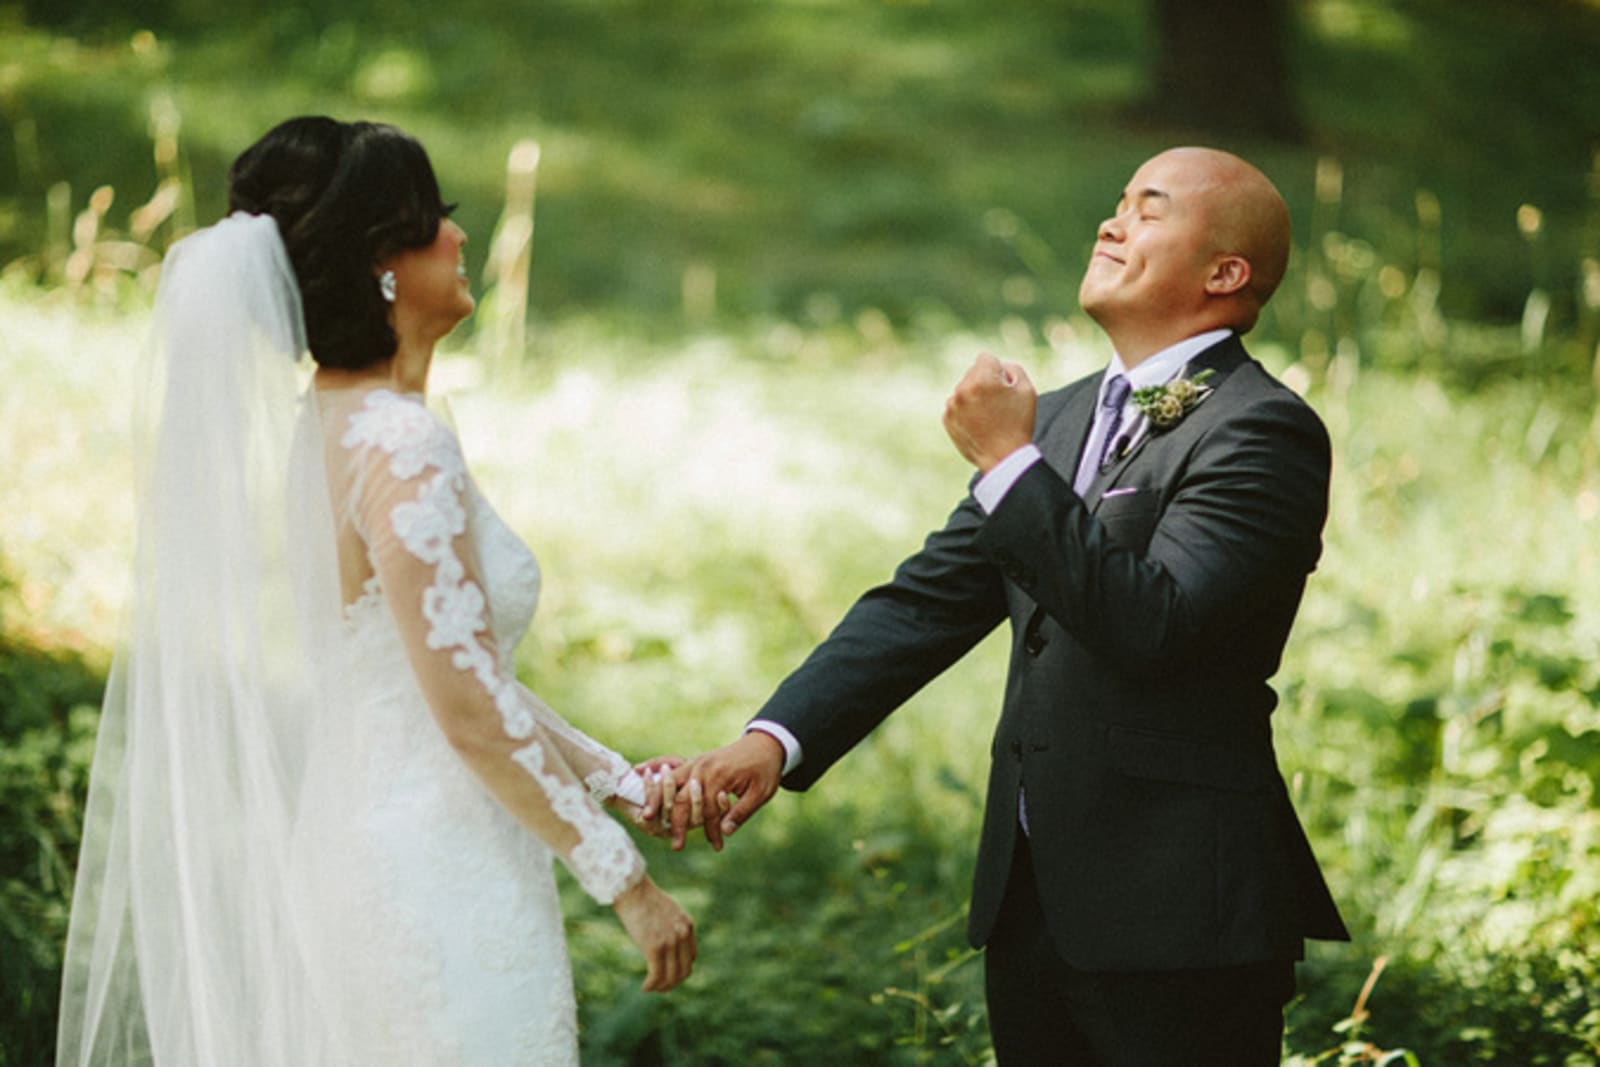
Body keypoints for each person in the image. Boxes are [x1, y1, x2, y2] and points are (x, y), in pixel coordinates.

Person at [661, 147, 1350, 1064]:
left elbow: (1160, 626)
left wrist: (1010, 467)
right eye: (1115, 205)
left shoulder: (1261, 428)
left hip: (1179, 912)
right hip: (1030, 904)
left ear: (1226, 273)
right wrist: (772, 739)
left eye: (1149, 211)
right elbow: (923, 604)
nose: (1112, 224)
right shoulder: (1056, 421)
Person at [56, 117, 695, 1067]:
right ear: (380, 265)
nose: (461, 235)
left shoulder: (333, 424)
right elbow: (467, 710)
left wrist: (620, 780)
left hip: (370, 839)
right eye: (436, 217)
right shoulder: (400, 448)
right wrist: (626, 883)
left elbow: (444, 674)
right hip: (434, 872)